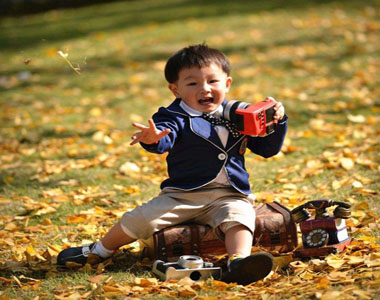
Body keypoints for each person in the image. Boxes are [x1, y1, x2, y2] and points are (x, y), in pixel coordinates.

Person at [57, 44, 287, 286]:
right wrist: (153, 139)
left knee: (240, 217)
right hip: (183, 195)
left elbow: (267, 150)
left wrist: (276, 122)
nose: (205, 89)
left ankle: (238, 262)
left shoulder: (240, 114)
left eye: (212, 81)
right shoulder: (171, 116)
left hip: (228, 194)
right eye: (192, 84)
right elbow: (166, 137)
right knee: (141, 219)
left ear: (227, 83)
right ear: (175, 89)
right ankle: (100, 250)